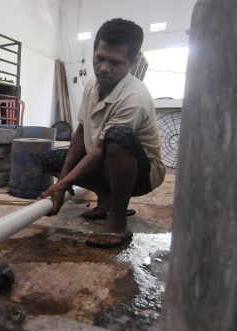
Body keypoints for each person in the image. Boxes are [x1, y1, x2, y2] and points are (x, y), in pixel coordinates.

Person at [39, 18, 165, 248]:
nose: (104, 67)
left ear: (132, 62)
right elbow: (81, 130)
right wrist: (63, 180)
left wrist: (61, 184)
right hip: (106, 158)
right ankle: (106, 199)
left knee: (117, 137)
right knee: (50, 158)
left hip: (142, 173)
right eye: (100, 58)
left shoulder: (134, 97)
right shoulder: (91, 86)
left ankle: (117, 220)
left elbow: (100, 149)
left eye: (115, 62)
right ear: (94, 51)